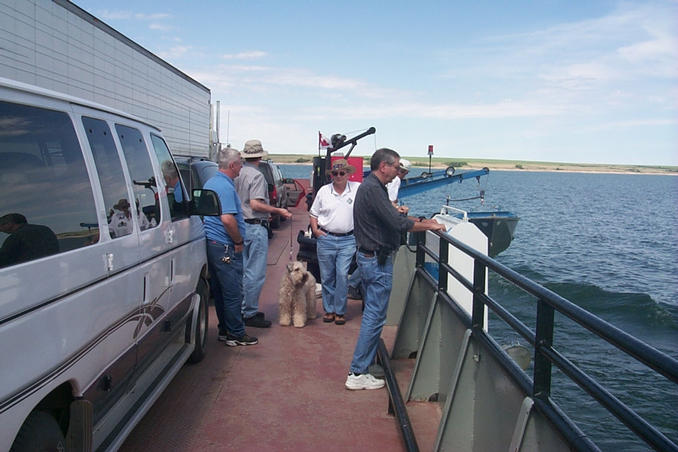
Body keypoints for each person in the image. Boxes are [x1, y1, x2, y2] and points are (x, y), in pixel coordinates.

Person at [345, 148, 446, 390]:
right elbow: (396, 222)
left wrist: (421, 223)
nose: (398, 171)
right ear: (384, 167)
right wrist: (428, 225)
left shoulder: (371, 187)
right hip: (376, 261)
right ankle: (357, 372)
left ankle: (363, 366)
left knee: (374, 314)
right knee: (374, 316)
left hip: (370, 257)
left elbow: (390, 217)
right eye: (396, 166)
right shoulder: (373, 189)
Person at [203, 146, 258, 346]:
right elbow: (227, 219)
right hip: (225, 246)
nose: (241, 169)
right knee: (233, 291)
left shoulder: (211, 182)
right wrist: (238, 241)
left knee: (220, 291)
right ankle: (236, 332)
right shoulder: (225, 187)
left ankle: (225, 330)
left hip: (214, 244)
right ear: (233, 165)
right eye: (240, 165)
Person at [235, 139, 292, 328]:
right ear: (259, 156)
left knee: (242, 271)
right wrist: (278, 211)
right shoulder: (257, 176)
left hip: (239, 226)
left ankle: (241, 309)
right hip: (254, 225)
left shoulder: (237, 173)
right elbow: (256, 204)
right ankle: (249, 313)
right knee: (255, 273)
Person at [309, 159, 360, 325]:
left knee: (342, 275)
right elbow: (314, 213)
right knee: (327, 276)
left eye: (342, 173)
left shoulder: (357, 189)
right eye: (335, 173)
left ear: (348, 174)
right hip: (326, 239)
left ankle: (340, 310)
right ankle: (329, 310)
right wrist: (316, 230)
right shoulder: (324, 191)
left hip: (348, 240)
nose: (338, 176)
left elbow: (373, 201)